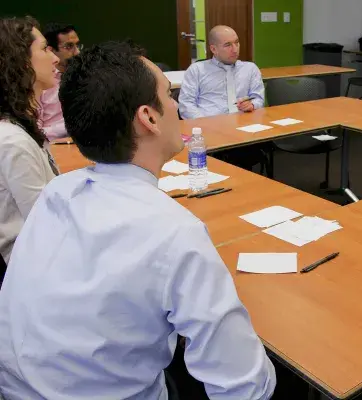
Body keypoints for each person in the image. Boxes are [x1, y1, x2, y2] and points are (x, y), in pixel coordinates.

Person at [0, 41, 276, 399]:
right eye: (169, 94)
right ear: (148, 117)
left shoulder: (58, 192)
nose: (176, 104)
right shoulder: (174, 232)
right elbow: (246, 388)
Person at [0, 17, 59, 265]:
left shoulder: (20, 127)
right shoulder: (13, 141)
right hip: (31, 266)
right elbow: (47, 225)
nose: (55, 57)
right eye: (45, 48)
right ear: (22, 62)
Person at [179, 25, 265, 119]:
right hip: (209, 124)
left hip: (244, 123)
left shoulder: (250, 69)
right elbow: (186, 106)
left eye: (236, 43)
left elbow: (258, 98)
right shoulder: (197, 70)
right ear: (213, 49)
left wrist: (252, 105)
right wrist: (204, 124)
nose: (235, 49)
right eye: (228, 45)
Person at [39, 23, 82, 140]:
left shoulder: (84, 75)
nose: (77, 52)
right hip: (52, 147)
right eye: (69, 46)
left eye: (77, 45)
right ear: (51, 50)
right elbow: (35, 133)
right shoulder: (40, 83)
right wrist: (71, 127)